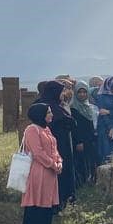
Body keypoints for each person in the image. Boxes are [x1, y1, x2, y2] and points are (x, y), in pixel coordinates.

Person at [19, 103, 62, 224]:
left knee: (47, 203)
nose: (51, 114)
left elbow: (54, 149)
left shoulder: (46, 129)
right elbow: (37, 153)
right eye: (48, 112)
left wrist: (59, 162)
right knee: (35, 203)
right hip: (38, 172)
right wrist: (52, 164)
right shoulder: (32, 130)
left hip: (50, 173)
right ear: (40, 114)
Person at [39, 80, 76, 208]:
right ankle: (57, 202)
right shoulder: (47, 107)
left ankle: (66, 199)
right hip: (55, 145)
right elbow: (65, 121)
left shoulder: (58, 105)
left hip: (63, 143)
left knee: (64, 170)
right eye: (61, 92)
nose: (63, 94)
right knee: (58, 172)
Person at [71, 81, 98, 186]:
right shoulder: (73, 108)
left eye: (84, 92)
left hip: (90, 139)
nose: (82, 94)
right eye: (79, 92)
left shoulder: (89, 107)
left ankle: (91, 180)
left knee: (91, 160)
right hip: (80, 140)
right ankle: (81, 183)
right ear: (75, 94)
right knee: (81, 161)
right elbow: (74, 128)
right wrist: (79, 141)